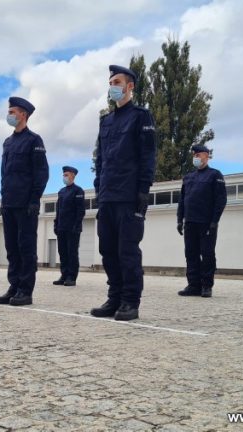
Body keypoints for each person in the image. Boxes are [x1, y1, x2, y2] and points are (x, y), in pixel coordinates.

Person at [90, 65, 157, 321]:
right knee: (108, 250)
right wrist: (99, 187)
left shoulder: (142, 116)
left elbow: (147, 156)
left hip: (129, 196)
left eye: (117, 81)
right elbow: (101, 159)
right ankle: (114, 297)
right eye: (110, 82)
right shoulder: (106, 121)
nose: (112, 86)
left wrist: (143, 192)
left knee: (127, 251)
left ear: (130, 86)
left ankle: (130, 301)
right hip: (108, 196)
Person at [0, 97, 49, 306]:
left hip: (26, 204)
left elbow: (41, 172)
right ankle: (14, 286)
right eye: (9, 111)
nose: (10, 114)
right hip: (9, 202)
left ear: (23, 114)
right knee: (11, 248)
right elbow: (4, 173)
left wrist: (35, 199)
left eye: (13, 111)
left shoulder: (34, 140)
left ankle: (26, 290)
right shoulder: (8, 142)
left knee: (26, 248)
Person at [176, 145, 227, 298]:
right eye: (194, 155)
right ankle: (193, 285)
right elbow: (182, 200)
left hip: (206, 223)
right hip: (190, 222)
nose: (196, 158)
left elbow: (220, 200)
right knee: (190, 253)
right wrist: (180, 220)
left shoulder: (214, 175)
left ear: (206, 156)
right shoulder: (189, 177)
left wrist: (214, 221)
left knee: (207, 254)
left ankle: (206, 285)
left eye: (198, 155)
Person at [53, 166, 85, 287]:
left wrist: (76, 225)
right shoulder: (61, 191)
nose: (64, 177)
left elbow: (80, 210)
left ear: (73, 175)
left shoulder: (78, 191)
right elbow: (58, 210)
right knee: (63, 252)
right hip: (61, 227)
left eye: (66, 175)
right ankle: (64, 275)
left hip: (73, 228)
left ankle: (71, 277)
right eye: (63, 175)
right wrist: (56, 224)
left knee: (72, 252)